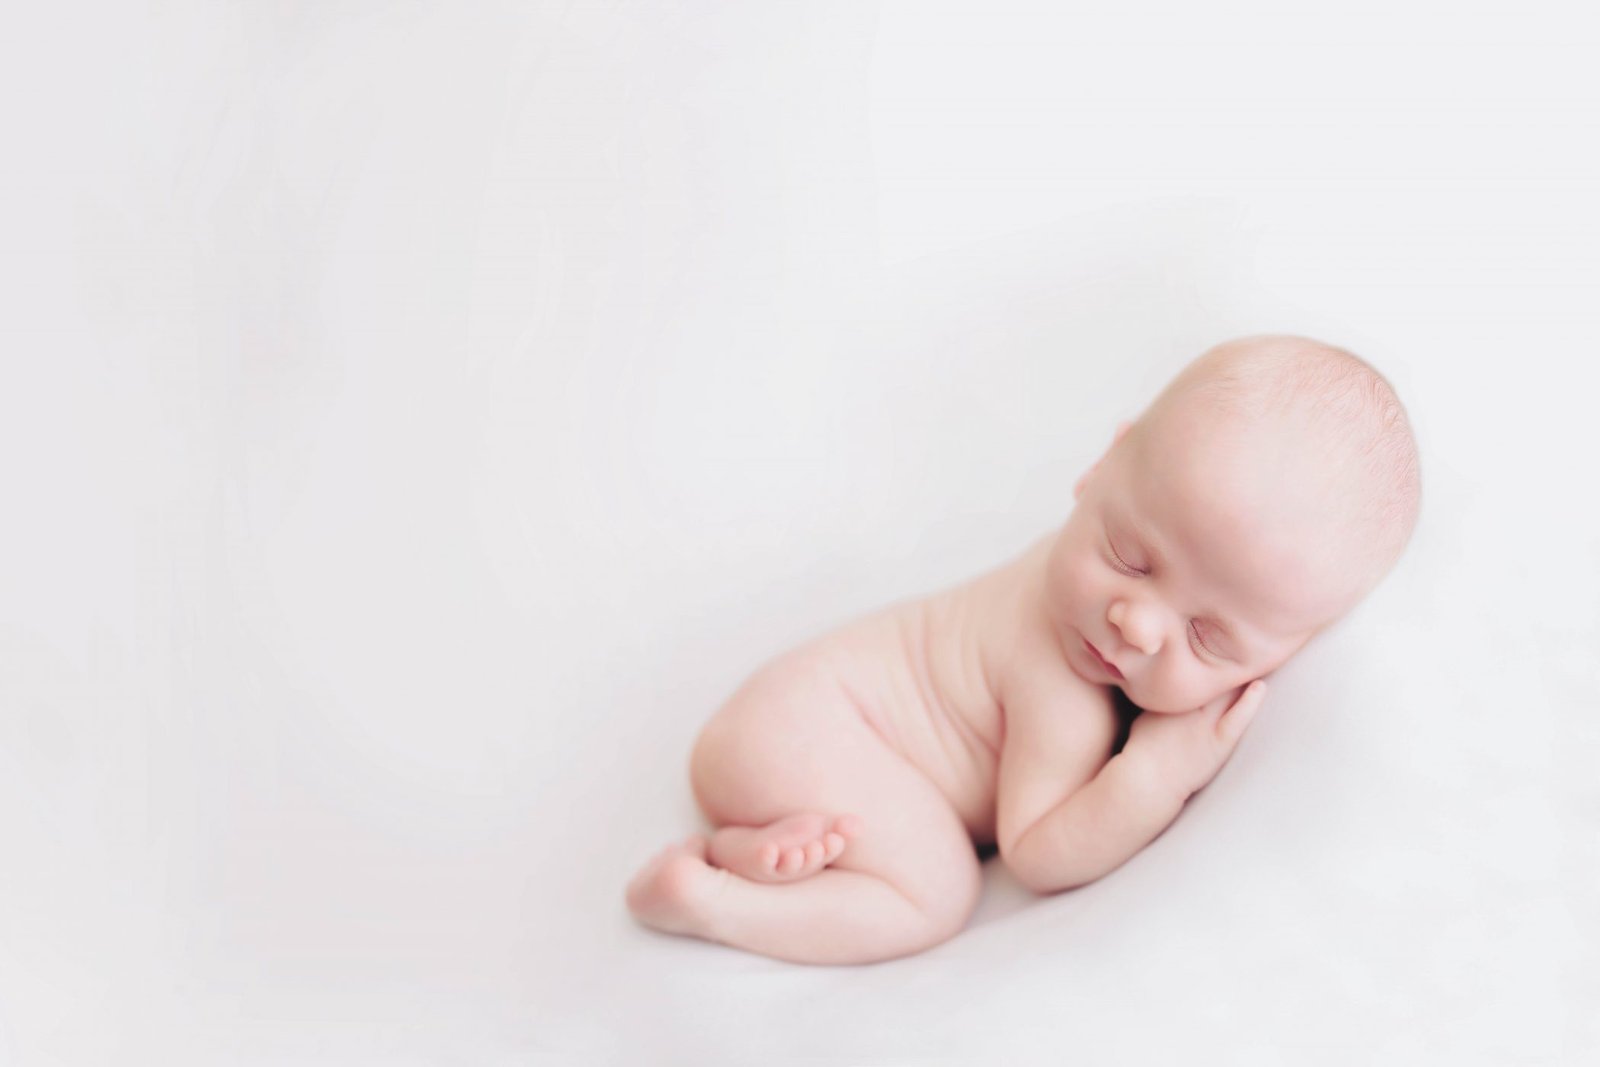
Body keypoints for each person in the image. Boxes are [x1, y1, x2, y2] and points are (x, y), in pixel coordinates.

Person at [625, 333, 1421, 965]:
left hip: (787, 734)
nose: (1135, 625)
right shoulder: (1061, 682)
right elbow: (1037, 851)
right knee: (934, 892)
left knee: (897, 848)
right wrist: (1153, 774)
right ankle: (704, 900)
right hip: (811, 729)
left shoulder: (1101, 582)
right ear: (1100, 467)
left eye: (1206, 636)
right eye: (1129, 557)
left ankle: (749, 849)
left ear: (1291, 649)